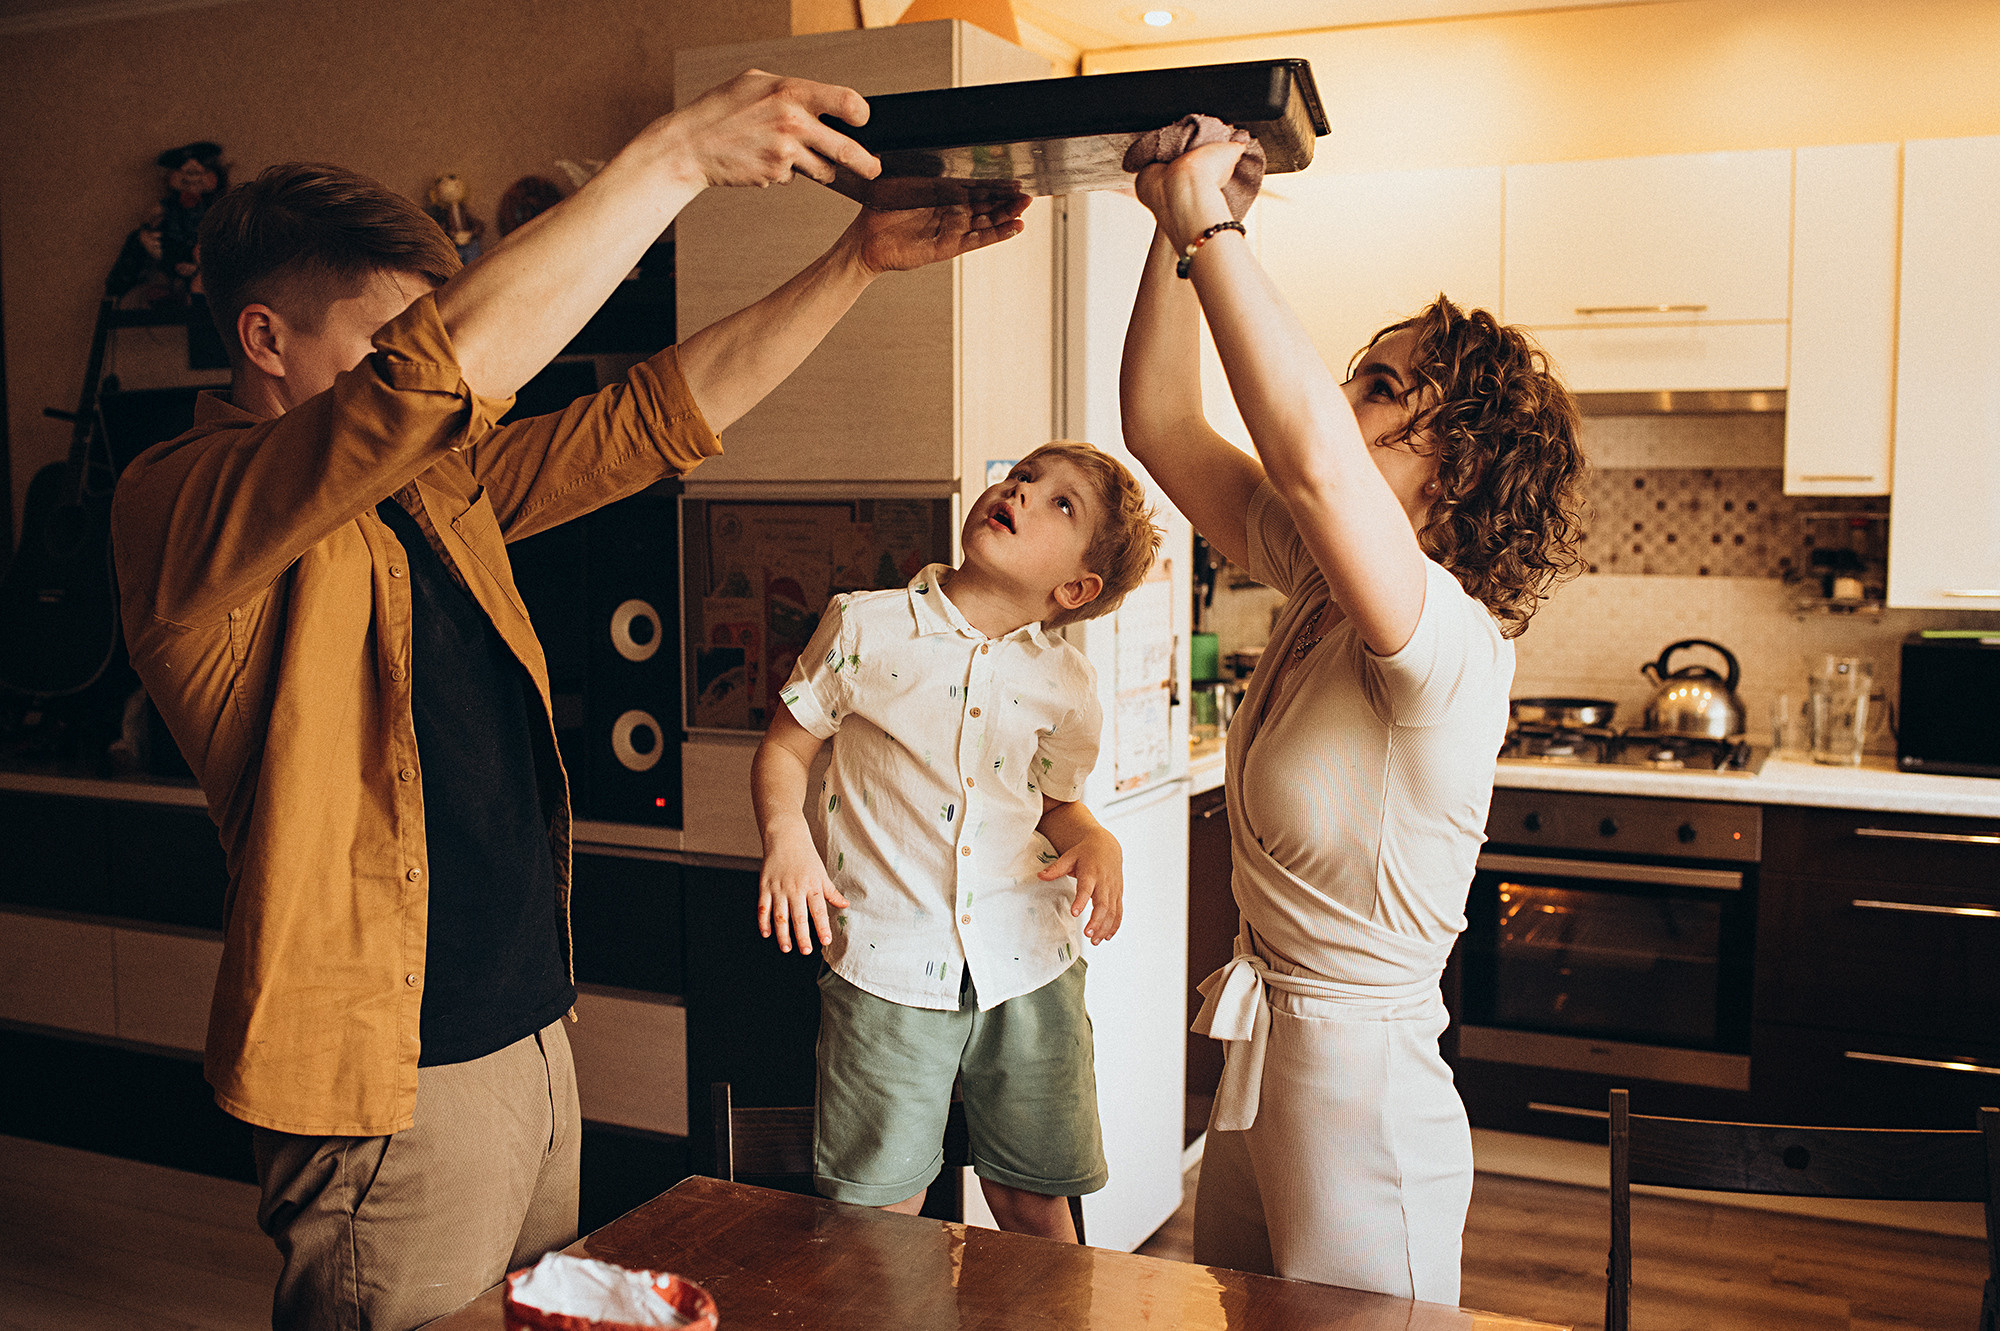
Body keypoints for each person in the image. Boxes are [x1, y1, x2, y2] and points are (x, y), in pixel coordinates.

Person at [109, 69, 1028, 1331]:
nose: (429, 372)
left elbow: (655, 416)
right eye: (387, 339)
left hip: (529, 1038)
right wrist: (675, 158)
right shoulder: (180, 500)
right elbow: (427, 385)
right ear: (264, 339)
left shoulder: (436, 487)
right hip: (390, 1077)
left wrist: (853, 262)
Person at [1119, 141, 1585, 1301]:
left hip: (1363, 1092)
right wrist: (1170, 232)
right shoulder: (1324, 588)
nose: (1338, 401)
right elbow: (1163, 423)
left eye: (1378, 389)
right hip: (1267, 1058)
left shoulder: (1450, 642)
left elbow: (1315, 463)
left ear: (1459, 460)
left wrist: (1214, 233)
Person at [750, 441, 1162, 1240]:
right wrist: (785, 835)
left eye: (1060, 502)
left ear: (1074, 588)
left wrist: (1097, 838)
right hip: (886, 965)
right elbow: (785, 747)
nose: (1020, 491)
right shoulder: (863, 625)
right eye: (1022, 477)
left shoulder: (1067, 685)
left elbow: (1057, 804)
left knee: (1034, 1202)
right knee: (881, 1212)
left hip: (1031, 967)